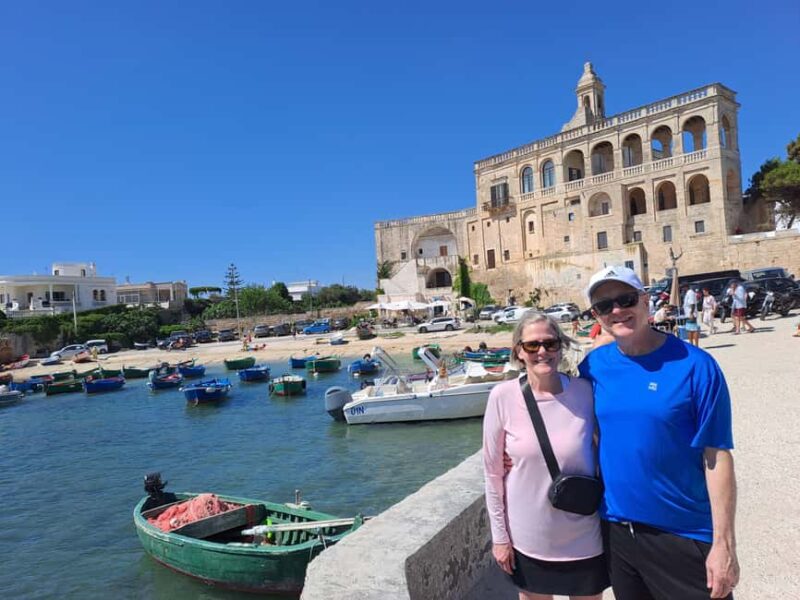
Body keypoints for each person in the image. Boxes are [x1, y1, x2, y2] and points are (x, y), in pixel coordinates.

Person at [579, 265, 739, 600]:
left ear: (646, 300)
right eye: (605, 306)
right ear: (597, 316)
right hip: (620, 532)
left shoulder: (697, 366)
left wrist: (723, 545)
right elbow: (583, 434)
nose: (617, 311)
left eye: (625, 299)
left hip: (684, 534)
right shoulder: (592, 368)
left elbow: (717, 456)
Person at [483, 312, 609, 600]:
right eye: (532, 345)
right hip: (528, 537)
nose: (542, 351)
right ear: (519, 352)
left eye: (551, 344)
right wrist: (500, 538)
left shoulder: (585, 391)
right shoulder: (502, 397)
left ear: (561, 346)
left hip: (584, 534)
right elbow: (492, 475)